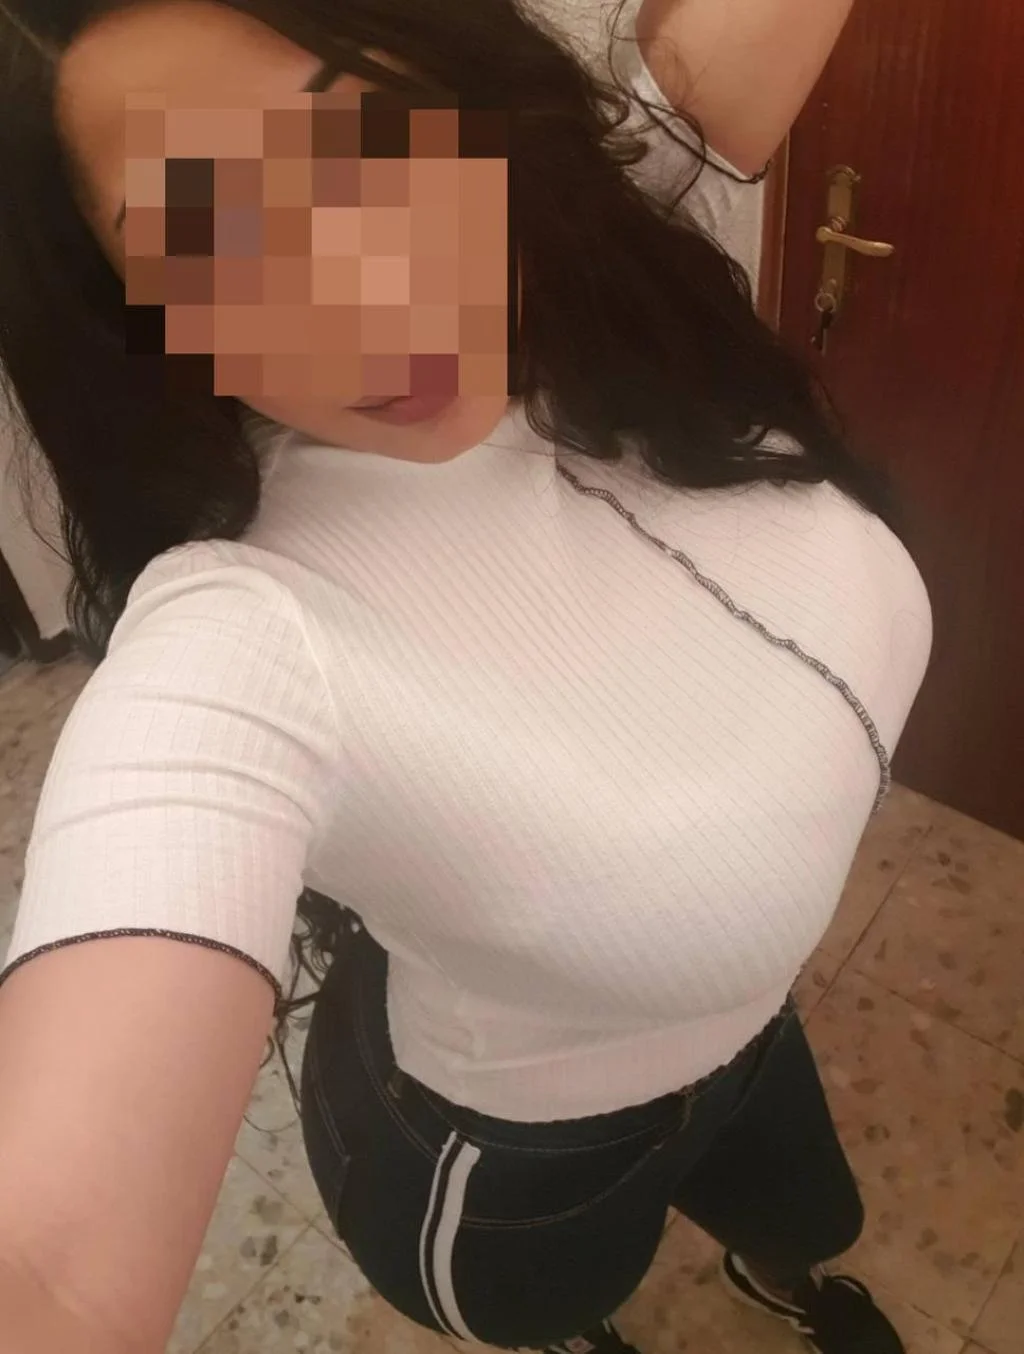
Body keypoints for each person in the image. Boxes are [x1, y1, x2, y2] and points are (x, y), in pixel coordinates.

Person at [0, 0, 932, 1351]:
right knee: (564, 1310)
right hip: (506, 1171)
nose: (368, 305)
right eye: (214, 244)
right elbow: (51, 1269)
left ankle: (775, 1275)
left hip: (748, 1028)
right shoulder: (241, 636)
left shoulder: (600, 261)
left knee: (809, 1215)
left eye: (369, 143)